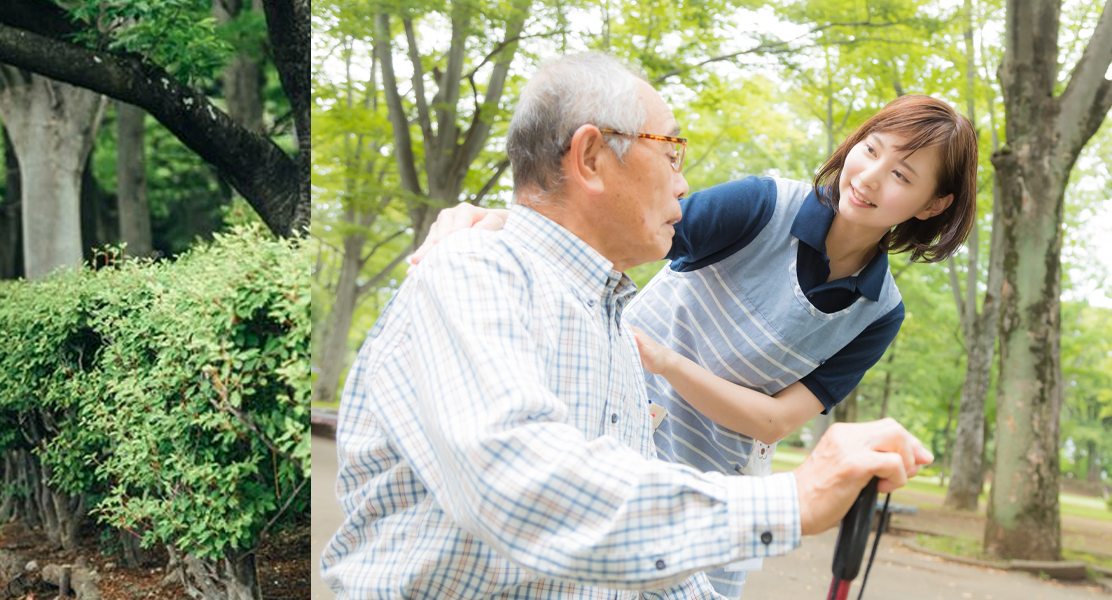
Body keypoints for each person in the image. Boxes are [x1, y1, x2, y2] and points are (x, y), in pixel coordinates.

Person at [320, 52, 934, 598]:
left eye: (903, 174)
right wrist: (794, 497)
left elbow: (619, 565)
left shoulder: (613, 326)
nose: (685, 182)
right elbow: (526, 490)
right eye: (670, 153)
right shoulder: (477, 275)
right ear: (590, 156)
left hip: (698, 491)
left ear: (934, 206)